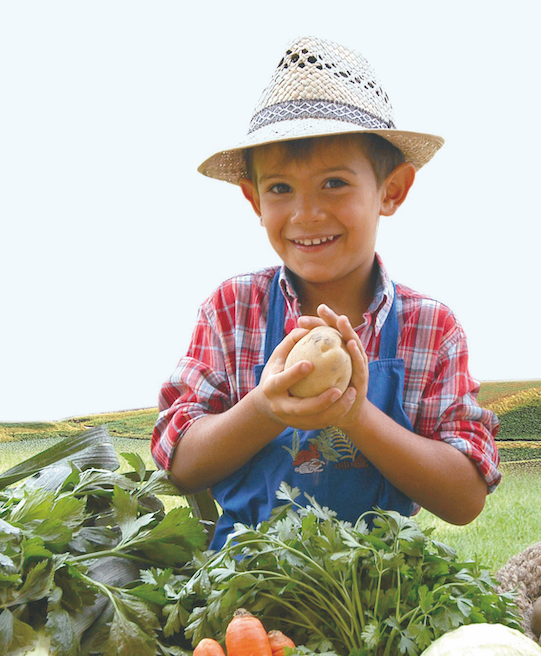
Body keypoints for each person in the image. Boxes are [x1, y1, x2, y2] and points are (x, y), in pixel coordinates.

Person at [151, 35, 500, 549]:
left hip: (377, 591)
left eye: (334, 183)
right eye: (280, 189)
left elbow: (465, 498)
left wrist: (355, 414)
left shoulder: (431, 328)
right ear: (253, 199)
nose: (306, 214)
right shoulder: (232, 309)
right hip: (243, 586)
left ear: (393, 190)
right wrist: (264, 408)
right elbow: (180, 464)